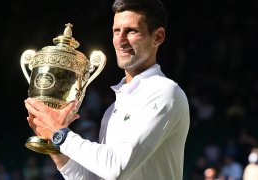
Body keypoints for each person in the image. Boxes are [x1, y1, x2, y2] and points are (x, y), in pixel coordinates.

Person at [24, 0, 190, 179]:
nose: (120, 40)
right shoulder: (112, 110)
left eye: (131, 31)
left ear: (158, 37)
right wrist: (52, 141)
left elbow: (116, 168)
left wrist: (60, 134)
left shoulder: (165, 92)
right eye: (116, 31)